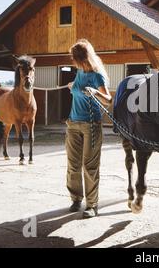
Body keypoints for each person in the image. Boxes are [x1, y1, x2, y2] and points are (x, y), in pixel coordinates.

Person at [66, 39, 112, 218]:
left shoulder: (97, 76)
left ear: (82, 58)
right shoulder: (79, 73)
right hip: (73, 123)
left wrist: (95, 92)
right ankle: (76, 198)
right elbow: (78, 92)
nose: (72, 61)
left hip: (91, 125)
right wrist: (73, 87)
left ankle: (92, 205)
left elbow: (108, 99)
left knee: (90, 166)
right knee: (73, 165)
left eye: (74, 58)